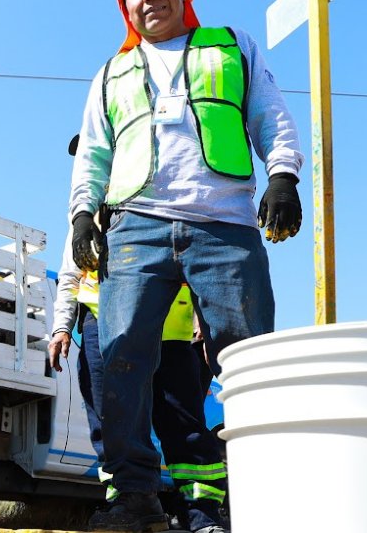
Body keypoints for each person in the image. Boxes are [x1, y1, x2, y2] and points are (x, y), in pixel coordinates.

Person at [70, 0, 303, 532]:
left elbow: (270, 113)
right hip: (135, 226)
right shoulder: (109, 74)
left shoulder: (233, 46)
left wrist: (283, 174)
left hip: (224, 224)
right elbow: (93, 153)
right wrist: (81, 215)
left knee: (248, 358)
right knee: (121, 357)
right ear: (126, 8)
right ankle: (134, 499)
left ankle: (264, 491)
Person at [50, 136, 228, 533]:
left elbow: (196, 259)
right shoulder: (84, 218)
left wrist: (206, 319)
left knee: (182, 422)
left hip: (171, 331)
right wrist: (62, 326)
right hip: (103, 328)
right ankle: (132, 504)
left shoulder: (161, 198)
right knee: (111, 422)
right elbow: (70, 275)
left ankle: (202, 516)